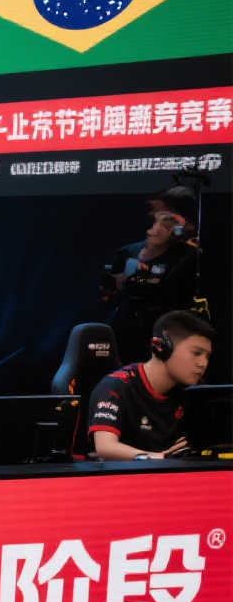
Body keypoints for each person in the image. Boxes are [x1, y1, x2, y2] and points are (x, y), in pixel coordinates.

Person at [89, 310, 214, 460]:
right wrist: (159, 458)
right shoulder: (116, 386)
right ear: (161, 347)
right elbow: (105, 447)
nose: (203, 363)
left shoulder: (194, 393)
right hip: (121, 473)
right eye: (196, 353)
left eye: (207, 356)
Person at [104, 185, 204, 359]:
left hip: (171, 335)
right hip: (127, 333)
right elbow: (109, 293)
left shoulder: (192, 256)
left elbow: (170, 291)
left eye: (170, 218)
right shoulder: (128, 252)